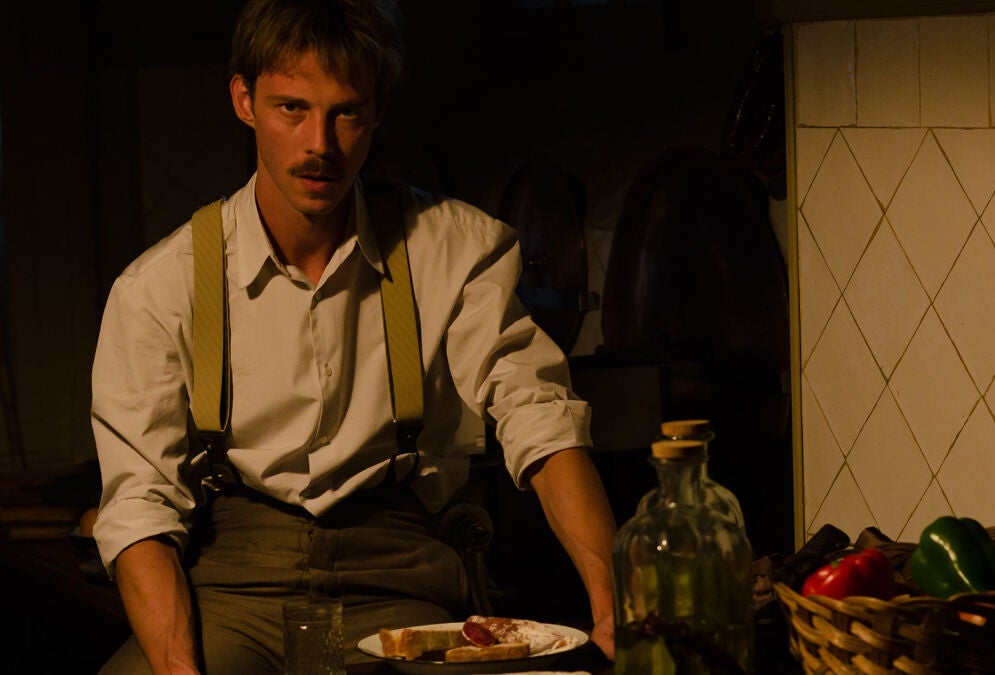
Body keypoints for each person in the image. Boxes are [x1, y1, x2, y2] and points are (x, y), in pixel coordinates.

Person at [90, 0, 617, 672]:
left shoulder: (453, 251)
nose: (319, 144)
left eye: (346, 113)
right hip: (233, 590)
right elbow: (139, 504)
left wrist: (612, 604)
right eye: (292, 109)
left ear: (379, 111)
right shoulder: (160, 287)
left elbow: (541, 420)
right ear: (244, 100)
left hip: (402, 581)